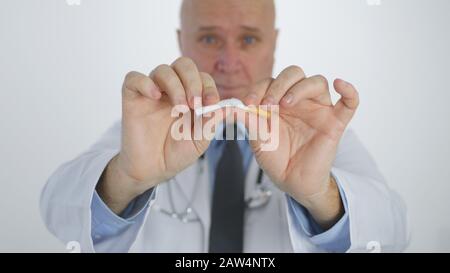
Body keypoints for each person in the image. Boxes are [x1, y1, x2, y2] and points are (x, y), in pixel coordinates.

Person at [40, 0, 407, 252]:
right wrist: (127, 179)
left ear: (273, 44)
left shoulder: (319, 136)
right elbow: (57, 210)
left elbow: (392, 230)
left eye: (248, 38)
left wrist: (318, 195)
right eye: (209, 38)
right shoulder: (148, 131)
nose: (228, 62)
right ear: (181, 41)